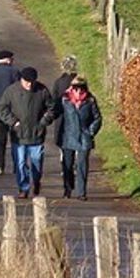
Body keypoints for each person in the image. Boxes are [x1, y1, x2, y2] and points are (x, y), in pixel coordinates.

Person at [0, 67, 56, 198]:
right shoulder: (11, 91)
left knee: (36, 161)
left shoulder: (42, 90)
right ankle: (23, 187)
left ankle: (36, 181)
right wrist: (13, 122)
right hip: (18, 135)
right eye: (27, 82)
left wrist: (44, 121)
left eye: (32, 82)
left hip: (37, 134)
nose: (29, 85)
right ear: (21, 80)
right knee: (20, 163)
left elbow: (52, 108)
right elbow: (2, 108)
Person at [57, 76, 103, 200]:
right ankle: (67, 188)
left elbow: (97, 118)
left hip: (84, 136)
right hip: (68, 135)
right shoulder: (64, 99)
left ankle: (81, 192)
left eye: (81, 89)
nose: (78, 92)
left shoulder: (90, 100)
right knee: (67, 164)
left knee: (82, 165)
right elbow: (55, 113)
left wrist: (90, 131)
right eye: (76, 89)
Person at [48, 55, 79, 194]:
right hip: (78, 122)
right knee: (77, 152)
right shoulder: (80, 82)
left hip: (63, 122)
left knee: (65, 154)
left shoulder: (58, 83)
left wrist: (50, 117)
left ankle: (67, 182)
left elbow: (54, 103)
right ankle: (75, 173)